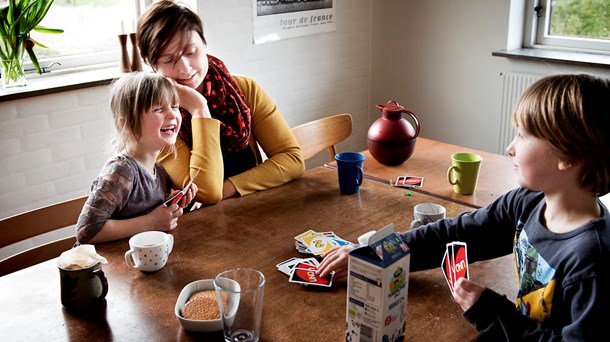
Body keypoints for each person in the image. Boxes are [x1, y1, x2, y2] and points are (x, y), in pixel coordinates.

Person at [317, 73, 610, 340]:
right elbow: (455, 234)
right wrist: (375, 252)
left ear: (567, 154)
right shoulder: (528, 201)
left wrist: (494, 312)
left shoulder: (592, 261)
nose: (510, 147)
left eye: (522, 135)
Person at [136, 0, 305, 204]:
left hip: (255, 205)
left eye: (191, 52)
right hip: (199, 224)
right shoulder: (153, 118)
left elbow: (292, 159)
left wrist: (229, 188)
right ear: (153, 66)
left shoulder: (243, 89)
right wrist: (198, 108)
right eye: (169, 59)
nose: (184, 67)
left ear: (204, 45)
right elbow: (204, 192)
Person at [76, 72, 197, 244]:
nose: (172, 115)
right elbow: (86, 231)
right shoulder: (122, 171)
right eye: (159, 109)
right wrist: (151, 222)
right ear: (126, 124)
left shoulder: (160, 172)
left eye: (175, 106)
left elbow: (140, 211)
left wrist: (173, 204)